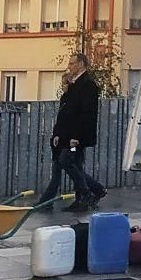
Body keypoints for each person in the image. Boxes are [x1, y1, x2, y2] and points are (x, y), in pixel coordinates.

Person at [47, 57, 107, 211]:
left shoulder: (87, 85)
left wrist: (76, 137)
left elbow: (85, 114)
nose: (69, 67)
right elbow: (66, 113)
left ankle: (86, 194)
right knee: (75, 164)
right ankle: (90, 194)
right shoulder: (74, 86)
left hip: (75, 139)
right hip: (68, 137)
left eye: (72, 63)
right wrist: (58, 134)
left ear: (81, 64)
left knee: (67, 160)